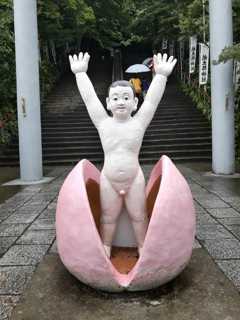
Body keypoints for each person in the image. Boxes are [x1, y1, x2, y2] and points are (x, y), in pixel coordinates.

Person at [69, 52, 177, 258]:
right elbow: (90, 100)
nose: (121, 102)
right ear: (108, 103)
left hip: (134, 178)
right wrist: (81, 73)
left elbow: (152, 102)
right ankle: (105, 248)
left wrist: (161, 76)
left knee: (139, 217)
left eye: (126, 98)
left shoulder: (138, 123)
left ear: (135, 104)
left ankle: (143, 248)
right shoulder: (103, 123)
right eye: (116, 98)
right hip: (109, 179)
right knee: (108, 218)